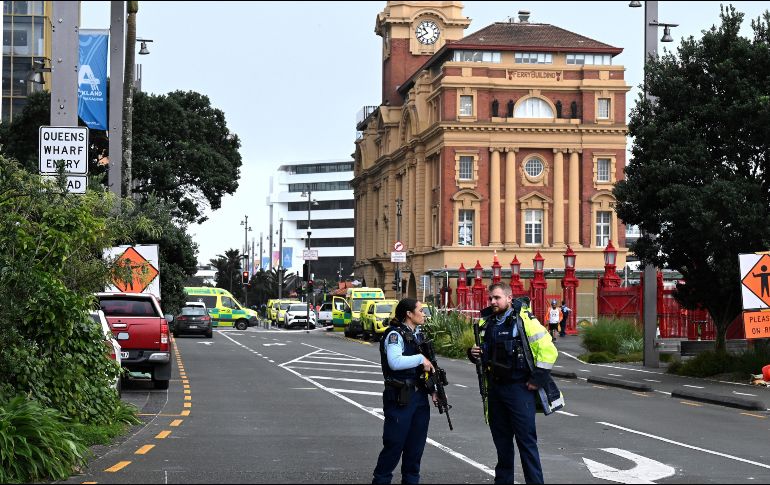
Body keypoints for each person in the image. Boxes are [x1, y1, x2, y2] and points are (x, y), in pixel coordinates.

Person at [468, 284, 558, 484]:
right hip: (495, 389)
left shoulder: (524, 321)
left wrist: (538, 379)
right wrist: (473, 354)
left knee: (526, 443)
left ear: (509, 298)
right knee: (502, 444)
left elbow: (549, 350)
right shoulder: (486, 323)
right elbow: (484, 352)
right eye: (491, 298)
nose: (492, 302)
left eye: (497, 298)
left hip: (518, 388)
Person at [373, 298, 436, 484]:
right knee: (394, 445)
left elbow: (430, 367)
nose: (424, 313)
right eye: (421, 310)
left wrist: (434, 390)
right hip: (401, 398)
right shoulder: (395, 335)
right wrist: (419, 359)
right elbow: (395, 362)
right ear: (409, 314)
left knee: (415, 450)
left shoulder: (419, 335)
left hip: (419, 398)